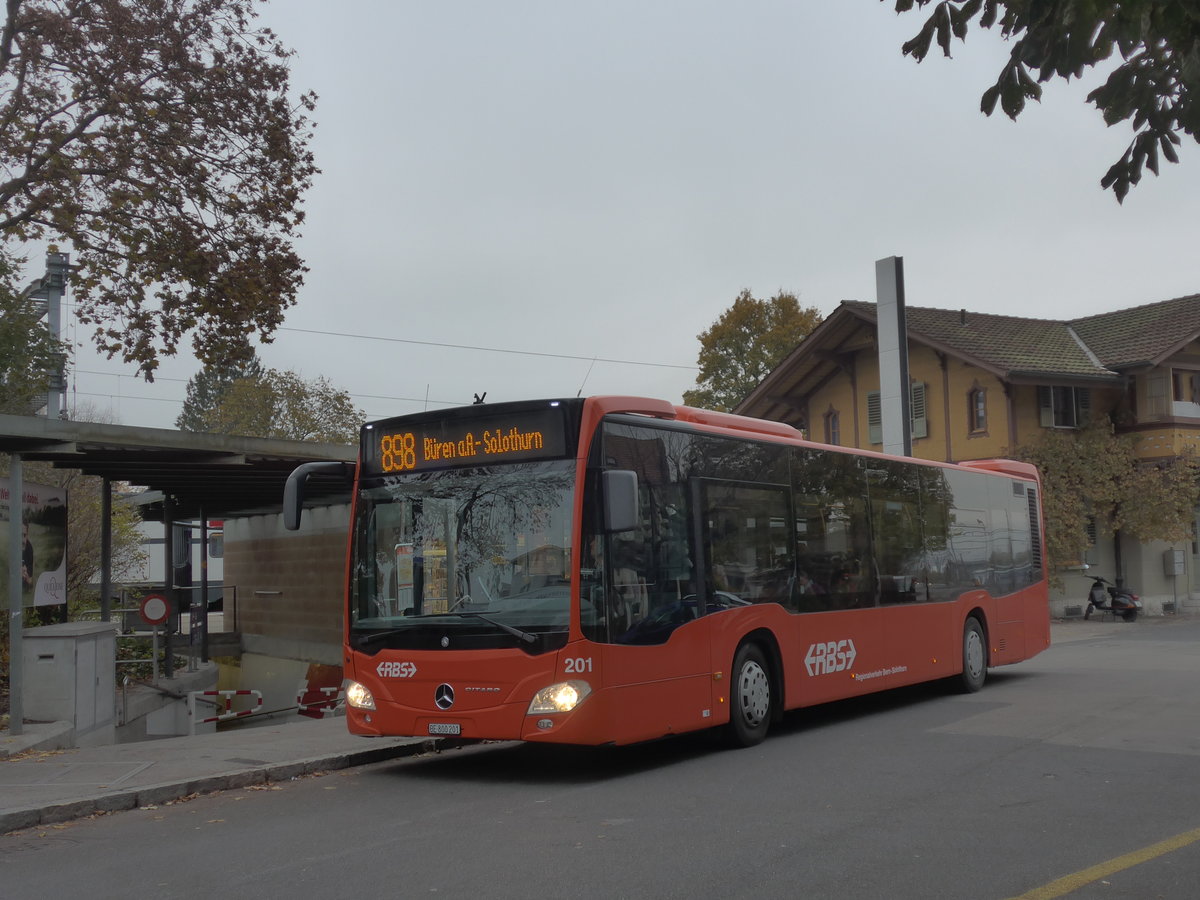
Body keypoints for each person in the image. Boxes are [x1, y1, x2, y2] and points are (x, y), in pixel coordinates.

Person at [21, 520, 34, 590]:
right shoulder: (13, 547)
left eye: (24, 535)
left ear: (27, 535)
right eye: (20, 535)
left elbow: (30, 582)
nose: (22, 540)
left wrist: (26, 576)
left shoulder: (29, 549)